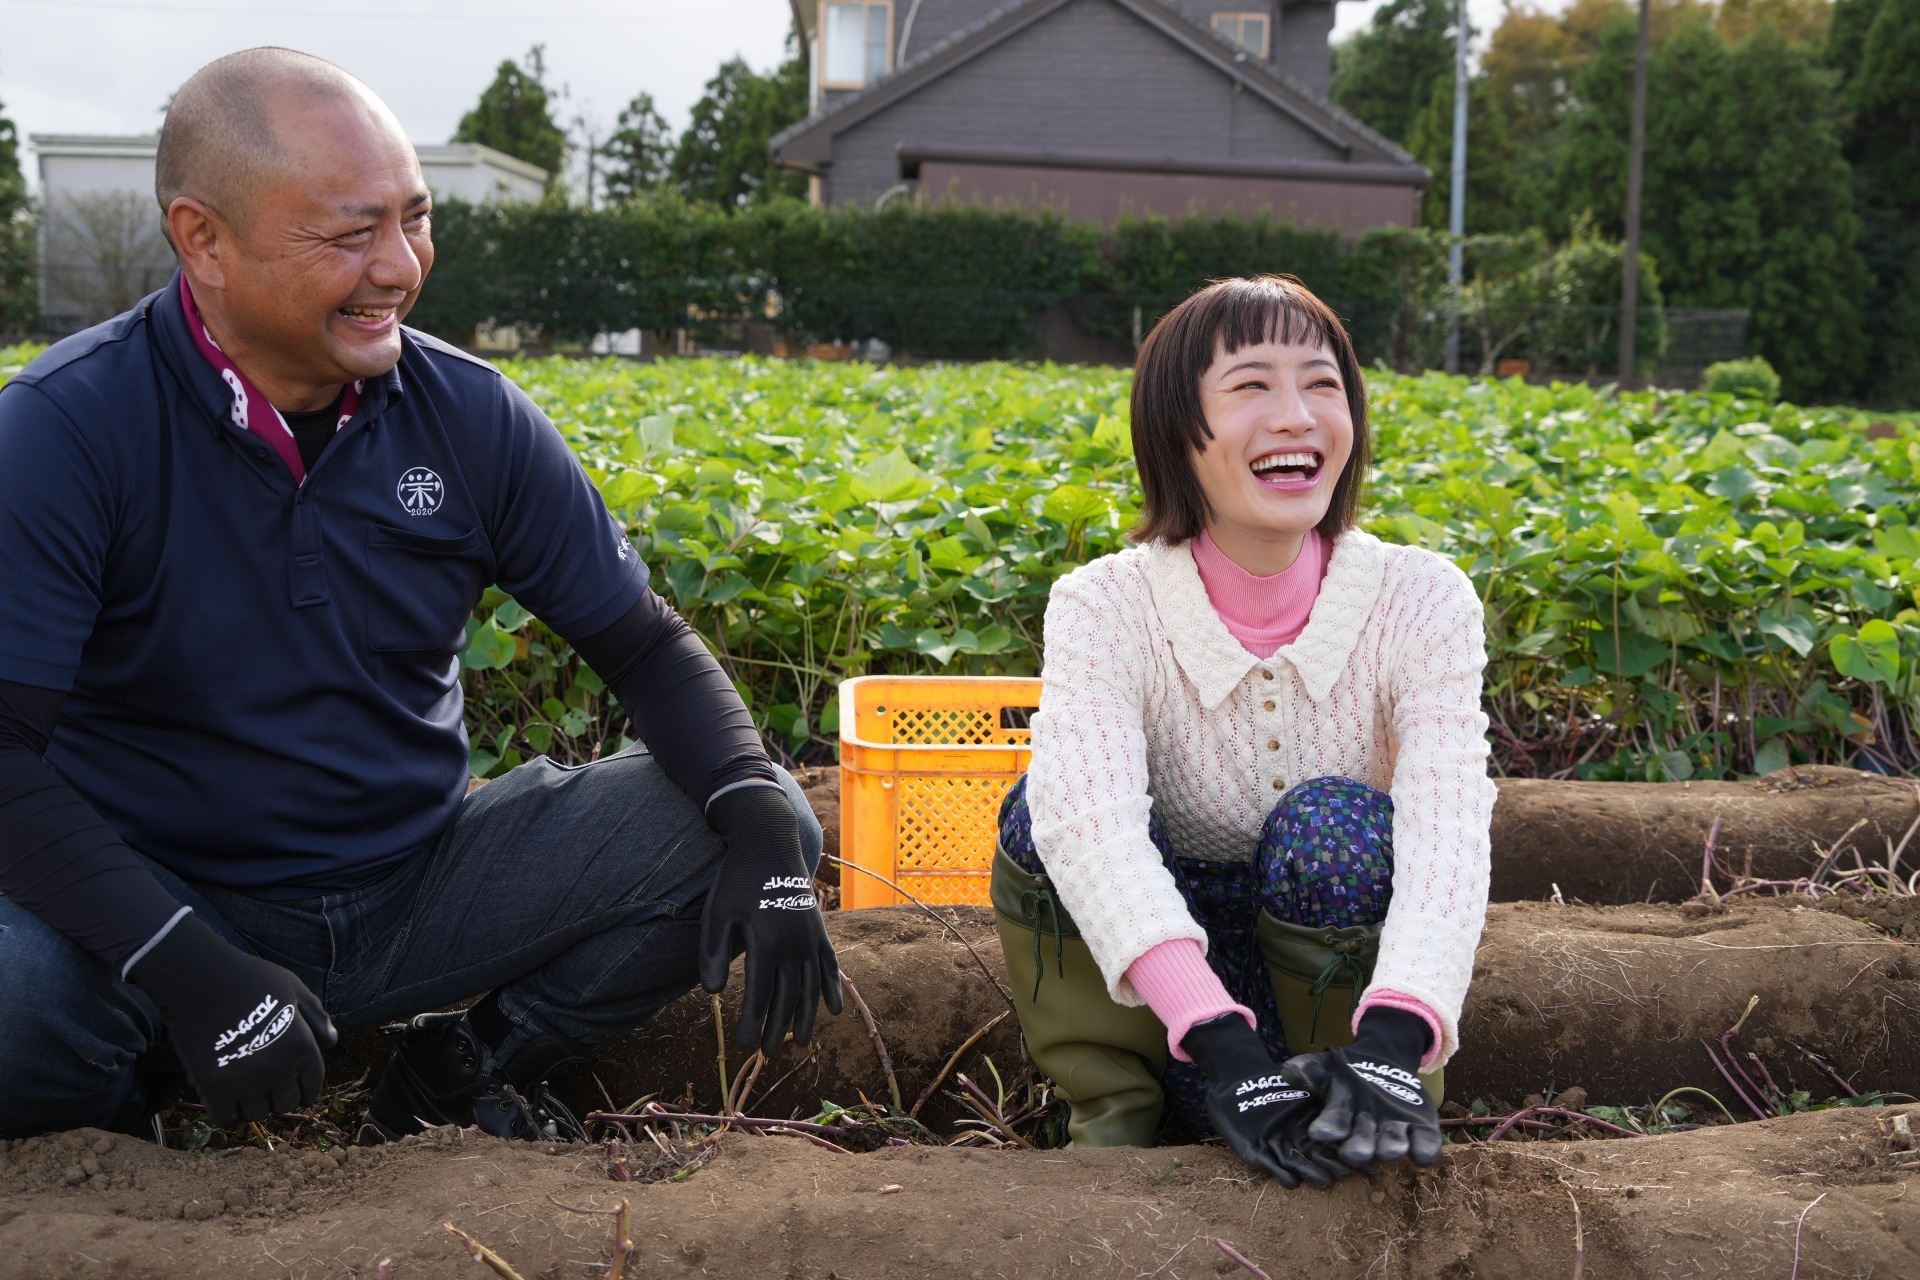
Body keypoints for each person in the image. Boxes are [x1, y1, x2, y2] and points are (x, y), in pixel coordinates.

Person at [0, 48, 839, 1145]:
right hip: (168, 898)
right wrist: (184, 963)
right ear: (203, 239)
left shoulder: (473, 415)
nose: (399, 266)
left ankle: (460, 1068)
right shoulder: (69, 426)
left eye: (415, 219)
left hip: (415, 889)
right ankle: (126, 1135)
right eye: (350, 234)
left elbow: (643, 645)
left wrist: (761, 817)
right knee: (12, 992)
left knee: (738, 813)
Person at [992, 275, 1494, 1186]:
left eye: (1323, 383)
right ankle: (1117, 1123)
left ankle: (1358, 1111)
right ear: (1176, 432)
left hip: (1334, 1028)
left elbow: (1448, 825)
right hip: (1171, 1017)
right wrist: (1219, 1040)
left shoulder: (1424, 598)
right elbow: (1094, 826)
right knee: (1046, 809)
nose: (1297, 415)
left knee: (1335, 824)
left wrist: (1397, 1033)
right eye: (1252, 385)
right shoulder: (1105, 604)